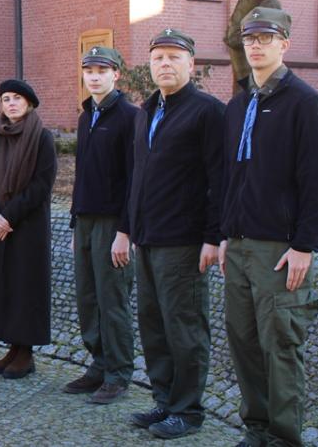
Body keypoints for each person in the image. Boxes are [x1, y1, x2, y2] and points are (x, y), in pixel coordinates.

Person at [220, 7, 318, 447]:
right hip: (241, 246)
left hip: (279, 250)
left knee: (280, 346)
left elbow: (317, 180)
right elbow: (232, 177)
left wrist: (304, 245)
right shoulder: (239, 103)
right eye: (250, 38)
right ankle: (258, 428)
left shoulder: (304, 103)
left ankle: (284, 437)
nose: (256, 45)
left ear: (285, 43)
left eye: (267, 37)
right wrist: (226, 234)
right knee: (244, 342)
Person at [126, 29, 224, 438]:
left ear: (191, 64)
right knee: (153, 325)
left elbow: (219, 179)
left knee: (184, 328)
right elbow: (139, 175)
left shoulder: (206, 112)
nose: (164, 64)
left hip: (183, 242)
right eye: (158, 58)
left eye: (173, 57)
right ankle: (164, 401)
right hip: (147, 238)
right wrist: (130, 229)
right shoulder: (148, 110)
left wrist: (212, 236)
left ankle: (188, 410)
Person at [65, 46, 142, 404]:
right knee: (87, 298)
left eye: (102, 70)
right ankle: (98, 363)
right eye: (89, 70)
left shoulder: (129, 116)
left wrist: (126, 232)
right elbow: (82, 174)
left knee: (113, 300)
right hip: (85, 220)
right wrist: (73, 222)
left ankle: (118, 373)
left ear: (116, 74)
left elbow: (135, 178)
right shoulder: (86, 117)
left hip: (113, 223)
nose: (94, 76)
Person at [0, 79, 57, 379]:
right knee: (3, 286)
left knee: (25, 287)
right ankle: (12, 345)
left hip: (26, 227)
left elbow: (41, 185)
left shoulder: (41, 138)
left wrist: (9, 217)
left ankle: (26, 352)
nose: (11, 104)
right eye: (6, 99)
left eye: (17, 98)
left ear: (29, 103)